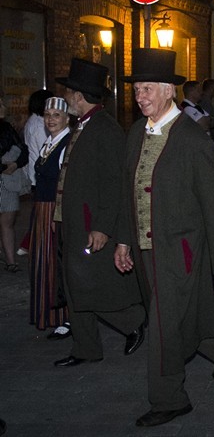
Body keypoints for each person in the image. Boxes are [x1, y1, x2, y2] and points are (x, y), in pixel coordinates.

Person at [114, 48, 214, 427]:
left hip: (180, 251)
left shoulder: (192, 138)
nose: (141, 98)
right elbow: (130, 189)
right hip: (143, 248)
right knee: (172, 318)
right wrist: (124, 239)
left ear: (170, 91)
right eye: (137, 90)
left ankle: (170, 398)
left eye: (148, 90)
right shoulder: (136, 131)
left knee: (164, 328)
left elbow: (213, 206)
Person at [53, 58, 145, 368]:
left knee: (90, 284)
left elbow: (114, 184)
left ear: (79, 95)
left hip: (91, 223)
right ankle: (86, 348)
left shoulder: (105, 129)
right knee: (75, 284)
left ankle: (134, 321)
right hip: (73, 221)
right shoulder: (83, 125)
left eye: (68, 93)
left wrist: (104, 226)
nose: (66, 98)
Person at [29, 97, 72, 336]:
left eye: (56, 115)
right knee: (42, 263)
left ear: (67, 118)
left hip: (54, 209)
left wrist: (58, 215)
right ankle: (50, 314)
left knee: (54, 263)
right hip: (41, 209)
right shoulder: (50, 142)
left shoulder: (66, 142)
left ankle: (65, 317)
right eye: (47, 115)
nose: (51, 119)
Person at [18, 90, 53, 256]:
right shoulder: (39, 125)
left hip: (34, 174)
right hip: (38, 175)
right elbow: (44, 150)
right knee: (41, 212)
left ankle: (28, 243)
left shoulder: (33, 121)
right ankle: (29, 243)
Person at [0, 95, 29, 273]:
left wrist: (15, 164)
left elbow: (23, 150)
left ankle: (11, 260)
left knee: (7, 222)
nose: (3, 106)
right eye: (0, 104)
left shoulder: (6, 127)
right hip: (5, 176)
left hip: (8, 182)